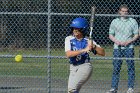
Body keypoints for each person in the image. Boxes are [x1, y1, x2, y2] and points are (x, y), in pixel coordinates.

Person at [65, 17, 105, 93]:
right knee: (71, 90)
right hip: (73, 67)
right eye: (73, 28)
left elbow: (103, 53)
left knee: (72, 89)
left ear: (82, 29)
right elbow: (68, 54)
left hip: (84, 67)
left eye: (77, 29)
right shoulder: (69, 39)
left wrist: (93, 46)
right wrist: (84, 50)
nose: (74, 31)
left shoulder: (88, 40)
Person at [106, 4, 139, 93]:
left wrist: (129, 41)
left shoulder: (133, 21)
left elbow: (136, 34)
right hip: (117, 48)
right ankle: (114, 88)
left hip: (129, 47)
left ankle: (130, 88)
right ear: (119, 12)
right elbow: (110, 34)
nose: (124, 13)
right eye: (122, 11)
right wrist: (117, 41)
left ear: (128, 12)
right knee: (116, 68)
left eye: (126, 11)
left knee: (130, 68)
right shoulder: (114, 21)